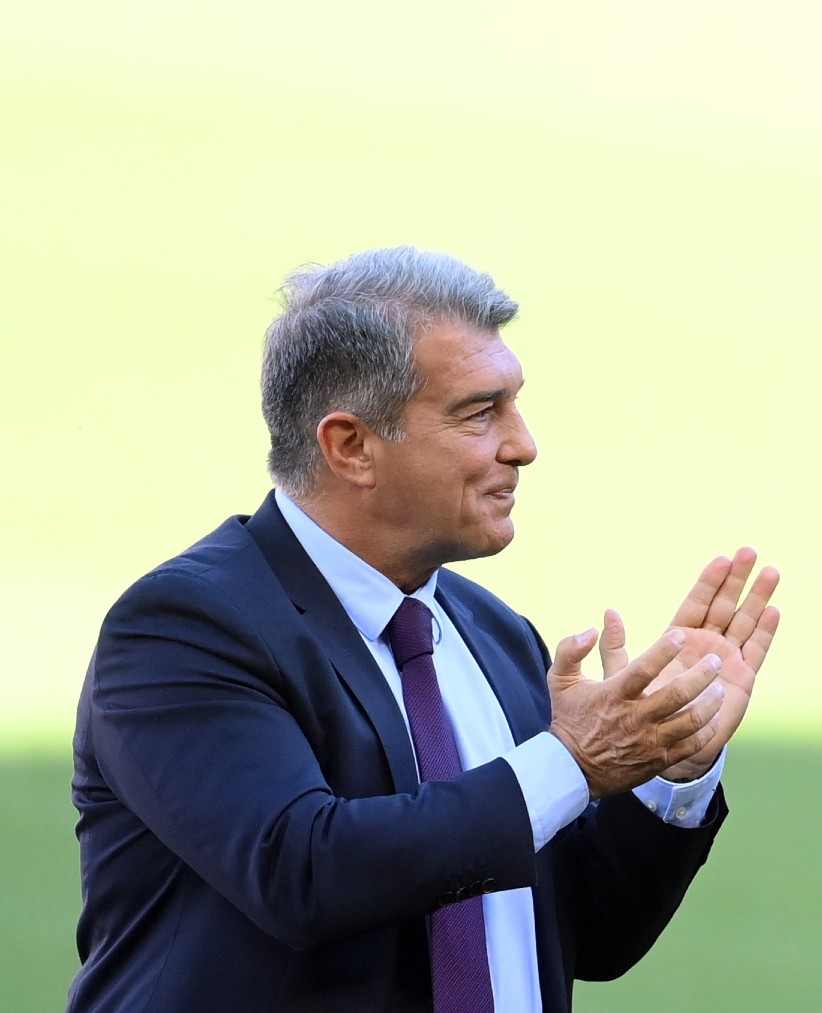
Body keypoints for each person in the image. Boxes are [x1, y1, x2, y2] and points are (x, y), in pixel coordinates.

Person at [69, 246, 781, 1012]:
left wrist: (672, 765)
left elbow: (584, 934)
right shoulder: (186, 628)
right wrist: (572, 762)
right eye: (480, 411)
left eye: (514, 403)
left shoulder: (496, 635)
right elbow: (303, 870)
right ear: (350, 446)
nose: (524, 444)